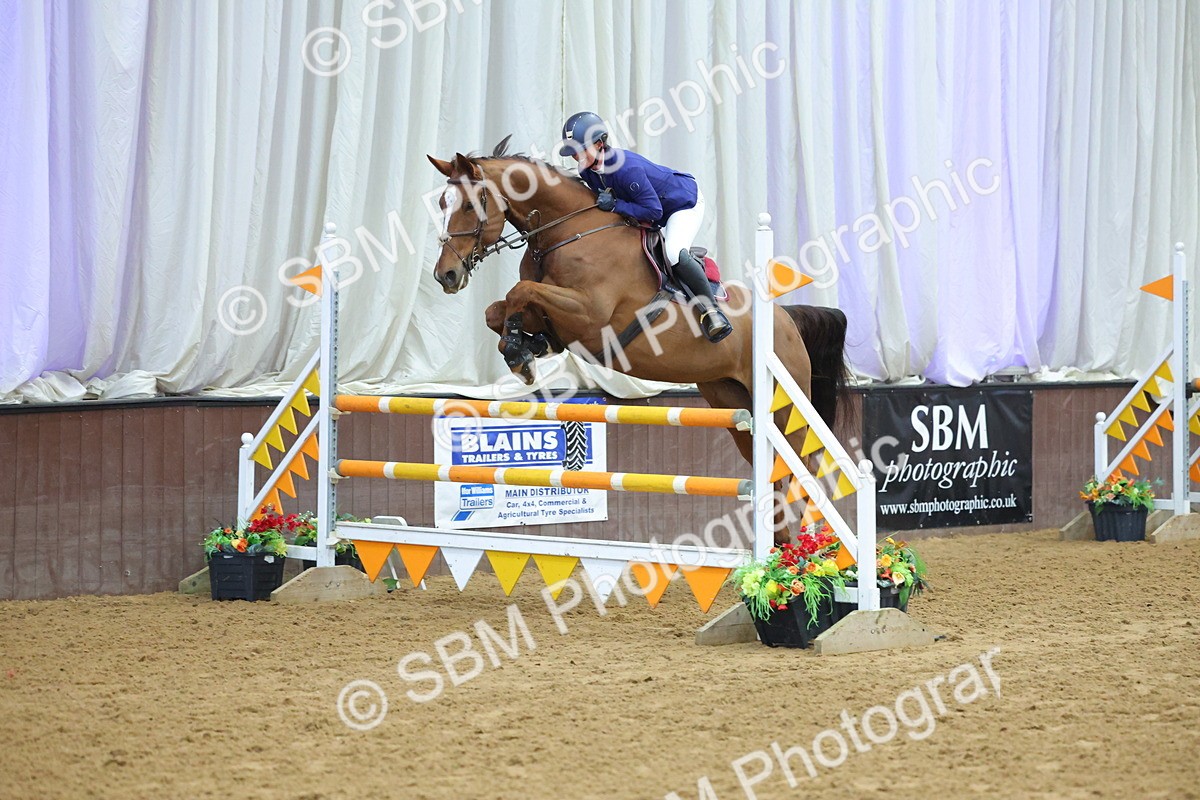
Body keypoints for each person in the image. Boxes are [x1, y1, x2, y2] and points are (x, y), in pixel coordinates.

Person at [558, 111, 732, 343]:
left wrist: (616, 205)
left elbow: (654, 211)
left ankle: (712, 312)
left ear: (600, 144)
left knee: (673, 253)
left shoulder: (626, 169)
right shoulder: (587, 171)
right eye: (573, 152)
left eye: (580, 150)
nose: (575, 157)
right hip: (650, 208)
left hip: (681, 204)